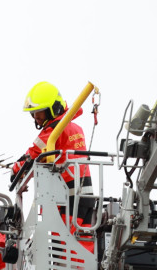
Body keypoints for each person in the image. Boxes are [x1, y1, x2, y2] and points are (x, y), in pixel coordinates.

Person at [13, 81, 96, 254]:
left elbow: (32, 155)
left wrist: (15, 170)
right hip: (85, 197)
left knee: (64, 250)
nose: (36, 117)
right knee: (83, 245)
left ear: (53, 108)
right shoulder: (74, 126)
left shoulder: (53, 130)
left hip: (67, 198)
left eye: (39, 112)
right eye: (33, 113)